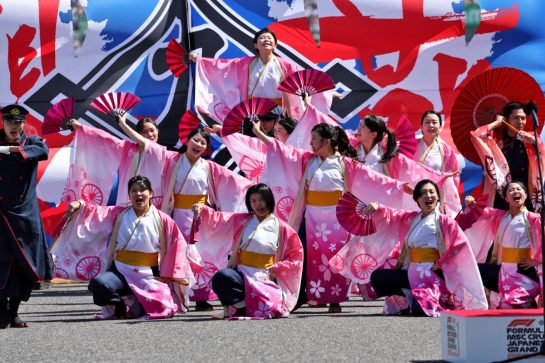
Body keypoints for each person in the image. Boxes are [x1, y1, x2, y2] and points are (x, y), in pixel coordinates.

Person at [253, 121, 408, 312]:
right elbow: (284, 151)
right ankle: (317, 296)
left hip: (337, 219)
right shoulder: (308, 160)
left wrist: (398, 186)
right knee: (315, 259)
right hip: (313, 217)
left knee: (335, 258)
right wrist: (259, 134)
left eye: (314, 139)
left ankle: (336, 298)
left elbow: (373, 178)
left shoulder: (345, 163)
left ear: (326, 141)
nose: (311, 143)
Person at [123, 125, 253, 311]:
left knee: (201, 258)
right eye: (196, 140)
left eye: (203, 143)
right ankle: (177, 297)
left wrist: (253, 187)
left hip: (201, 216)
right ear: (187, 140)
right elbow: (146, 144)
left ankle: (201, 298)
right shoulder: (172, 160)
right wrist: (122, 123)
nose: (199, 144)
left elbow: (235, 181)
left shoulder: (208, 167)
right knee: (179, 255)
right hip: (178, 215)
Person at [331, 179, 488, 316]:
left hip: (432, 276)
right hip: (412, 272)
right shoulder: (411, 218)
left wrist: (441, 263)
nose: (428, 196)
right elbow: (391, 215)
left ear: (438, 197)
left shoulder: (445, 221)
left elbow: (459, 245)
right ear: (418, 200)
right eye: (423, 193)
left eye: (432, 192)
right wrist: (377, 206)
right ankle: (410, 295)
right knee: (378, 278)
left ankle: (423, 297)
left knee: (422, 310)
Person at [51, 176, 194, 319]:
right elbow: (95, 212)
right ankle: (119, 307)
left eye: (142, 190)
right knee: (98, 284)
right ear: (129, 195)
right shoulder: (119, 214)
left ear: (151, 193)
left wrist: (168, 274)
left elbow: (177, 246)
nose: (138, 194)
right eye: (134, 190)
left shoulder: (163, 219)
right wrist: (79, 205)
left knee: (164, 310)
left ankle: (141, 304)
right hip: (121, 270)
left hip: (149, 274)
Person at [192, 183, 303, 319]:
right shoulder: (242, 221)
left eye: (262, 199)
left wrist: (279, 267)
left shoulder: (283, 228)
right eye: (253, 201)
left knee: (273, 309)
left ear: (269, 200)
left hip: (264, 277)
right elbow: (219, 219)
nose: (258, 204)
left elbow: (296, 256)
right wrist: (202, 209)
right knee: (221, 277)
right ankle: (240, 306)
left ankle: (247, 307)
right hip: (241, 274)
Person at [190, 27, 332, 123]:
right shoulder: (245, 64)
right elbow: (222, 66)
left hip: (276, 112)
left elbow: (303, 80)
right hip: (252, 111)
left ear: (275, 45)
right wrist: (200, 60)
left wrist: (324, 90)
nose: (266, 40)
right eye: (262, 38)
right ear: (255, 45)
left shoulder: (285, 65)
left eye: (270, 38)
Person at [0, 104, 53, 328]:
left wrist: (10, 150)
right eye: (10, 122)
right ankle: (2, 310)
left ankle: (14, 312)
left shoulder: (32, 142)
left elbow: (43, 152)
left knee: (25, 265)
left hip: (26, 215)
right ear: (3, 123)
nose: (15, 126)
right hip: (1, 214)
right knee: (2, 264)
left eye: (19, 122)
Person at [355, 114, 461, 214]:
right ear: (421, 126)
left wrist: (440, 176)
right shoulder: (351, 149)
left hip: (380, 202)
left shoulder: (386, 154)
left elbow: (414, 169)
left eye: (363, 126)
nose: (358, 129)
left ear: (373, 134)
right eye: (427, 122)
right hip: (357, 201)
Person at [462, 181, 542, 308]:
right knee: (470, 269)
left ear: (526, 195)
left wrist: (537, 260)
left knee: (509, 305)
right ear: (506, 198)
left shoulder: (533, 218)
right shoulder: (501, 216)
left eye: (519, 189)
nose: (515, 191)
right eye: (511, 190)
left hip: (523, 273)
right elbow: (484, 212)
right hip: (503, 271)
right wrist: (472, 203)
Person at [65, 114, 167, 207]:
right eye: (144, 132)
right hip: (129, 201)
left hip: (158, 204)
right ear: (138, 134)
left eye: (152, 130)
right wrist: (81, 128)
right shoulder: (129, 150)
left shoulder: (167, 154)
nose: (149, 134)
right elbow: (105, 138)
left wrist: (122, 124)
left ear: (157, 131)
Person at [470, 102, 545, 212]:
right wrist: (497, 122)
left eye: (523, 118)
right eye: (516, 118)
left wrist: (534, 143)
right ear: (506, 119)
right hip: (502, 197)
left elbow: (542, 157)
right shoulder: (495, 140)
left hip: (528, 196)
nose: (520, 122)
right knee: (503, 227)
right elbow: (476, 135)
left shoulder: (531, 137)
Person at [415, 111, 460, 184]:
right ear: (421, 127)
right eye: (427, 122)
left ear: (440, 127)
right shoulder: (411, 145)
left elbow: (454, 174)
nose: (431, 125)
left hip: (436, 191)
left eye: (434, 122)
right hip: (414, 190)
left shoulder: (446, 150)